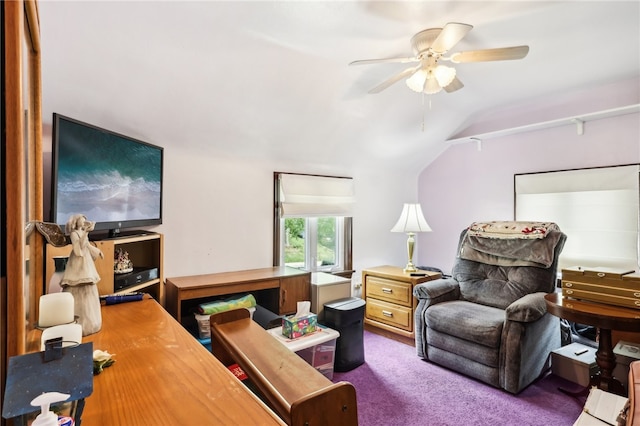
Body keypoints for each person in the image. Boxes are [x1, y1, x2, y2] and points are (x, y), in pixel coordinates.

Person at [60, 214, 104, 336]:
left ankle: (91, 321)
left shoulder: (82, 232)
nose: (83, 223)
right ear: (76, 222)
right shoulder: (74, 234)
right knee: (77, 286)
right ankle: (76, 323)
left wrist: (98, 251)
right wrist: (86, 233)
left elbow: (88, 246)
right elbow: (78, 249)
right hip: (78, 264)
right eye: (81, 221)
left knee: (89, 288)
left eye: (84, 221)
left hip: (86, 262)